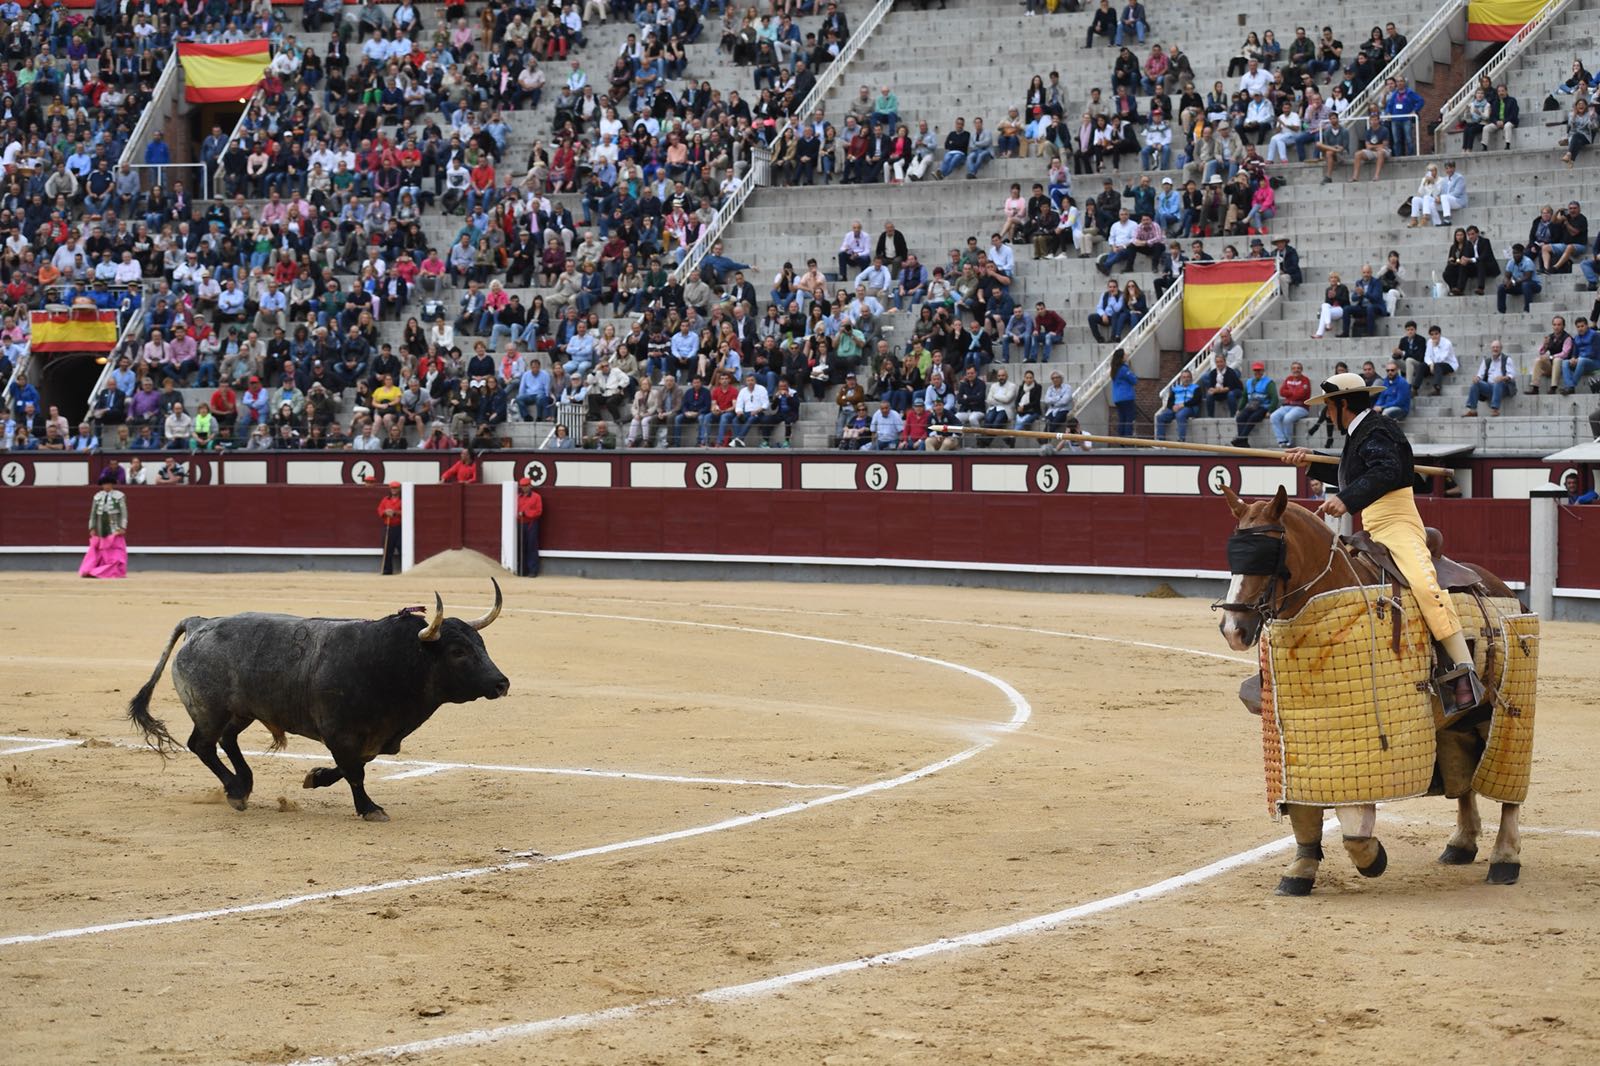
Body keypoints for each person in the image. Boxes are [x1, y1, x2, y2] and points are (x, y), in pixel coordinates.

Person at [1287, 373, 1483, 714]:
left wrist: (1346, 499)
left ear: (1342, 404)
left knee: (1425, 586)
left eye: (1328, 407)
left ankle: (1464, 673)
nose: (1326, 415)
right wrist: (1313, 461)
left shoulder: (1378, 429)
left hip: (1397, 523)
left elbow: (1386, 471)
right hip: (1372, 527)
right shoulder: (1360, 433)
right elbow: (1357, 471)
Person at [79, 470, 129, 580]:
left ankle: (113, 570)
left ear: (112, 484)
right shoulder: (97, 496)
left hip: (114, 528)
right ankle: (100, 570)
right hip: (100, 527)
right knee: (100, 551)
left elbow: (124, 513)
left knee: (115, 552)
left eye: (107, 484)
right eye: (104, 484)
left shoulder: (119, 496)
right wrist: (92, 527)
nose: (105, 486)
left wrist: (122, 527)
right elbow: (93, 513)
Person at [1463, 341, 1517, 416]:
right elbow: (1480, 375)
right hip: (1490, 387)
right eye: (1493, 347)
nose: (1495, 349)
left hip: (1504, 387)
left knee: (1498, 382)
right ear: (1491, 349)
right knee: (1475, 384)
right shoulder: (1486, 361)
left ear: (1501, 349)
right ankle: (1473, 410)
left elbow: (1512, 375)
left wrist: (1502, 378)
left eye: (1497, 347)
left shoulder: (1507, 359)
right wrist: (1476, 378)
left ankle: (1495, 409)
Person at [516, 477, 543, 577]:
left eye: (526, 486)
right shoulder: (518, 497)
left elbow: (538, 511)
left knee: (531, 546)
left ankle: (533, 570)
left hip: (531, 524)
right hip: (520, 524)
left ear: (530, 486)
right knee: (521, 547)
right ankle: (522, 570)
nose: (524, 488)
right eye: (522, 486)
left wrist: (526, 513)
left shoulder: (536, 497)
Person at [378, 480, 403, 575]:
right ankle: (387, 570)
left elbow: (407, 511)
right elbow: (380, 509)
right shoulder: (385, 499)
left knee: (401, 547)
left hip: (400, 528)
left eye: (396, 488)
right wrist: (385, 512)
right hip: (388, 527)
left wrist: (395, 512)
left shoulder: (403, 499)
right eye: (392, 488)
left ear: (399, 489)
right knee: (387, 549)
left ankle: (404, 569)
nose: (394, 490)